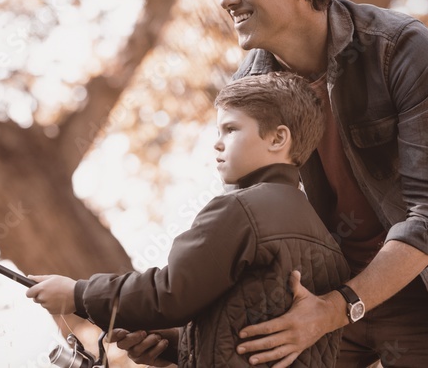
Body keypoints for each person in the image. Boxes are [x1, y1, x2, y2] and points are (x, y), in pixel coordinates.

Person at [114, 0, 428, 367]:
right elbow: (245, 232)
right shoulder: (249, 87)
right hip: (321, 293)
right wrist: (180, 336)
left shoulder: (400, 49)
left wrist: (335, 309)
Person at [26, 73, 351, 367]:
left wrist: (78, 295)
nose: (217, 142)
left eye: (231, 129)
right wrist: (172, 346)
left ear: (278, 139)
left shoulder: (240, 211)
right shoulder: (329, 244)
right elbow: (248, 340)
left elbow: (169, 293)